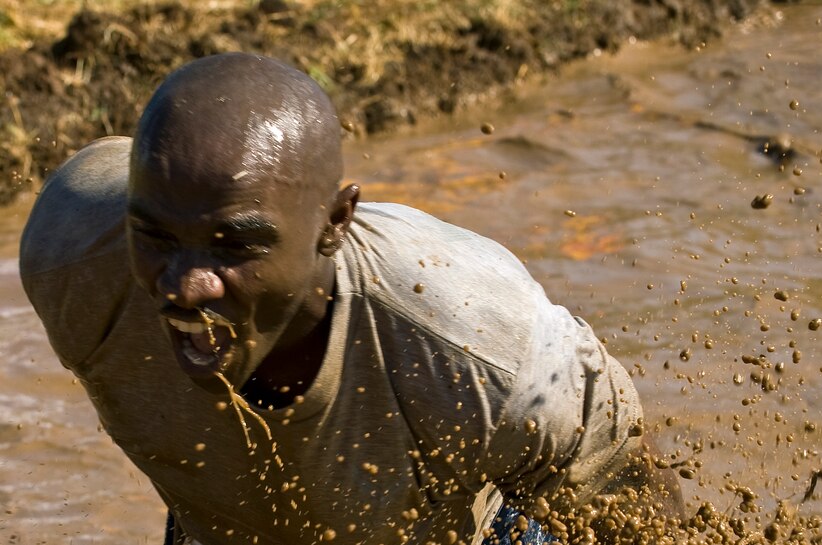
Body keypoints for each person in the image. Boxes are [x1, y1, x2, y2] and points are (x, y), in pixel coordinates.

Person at [20, 53, 682, 545]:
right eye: (158, 237)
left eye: (234, 246)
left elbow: (633, 509)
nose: (184, 285)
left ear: (335, 223)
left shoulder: (477, 346)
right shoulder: (76, 259)